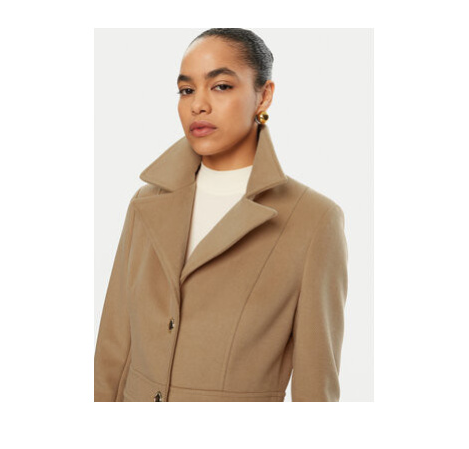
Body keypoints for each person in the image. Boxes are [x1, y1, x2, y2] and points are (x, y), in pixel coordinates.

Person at [94, 28, 349, 402]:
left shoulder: (313, 220)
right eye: (186, 90)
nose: (198, 105)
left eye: (221, 86)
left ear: (264, 95)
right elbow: (113, 348)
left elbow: (316, 383)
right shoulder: (145, 203)